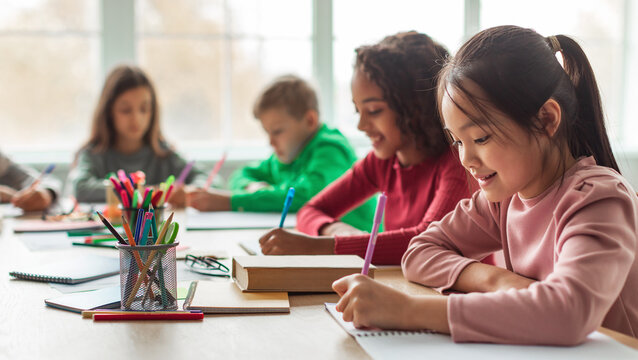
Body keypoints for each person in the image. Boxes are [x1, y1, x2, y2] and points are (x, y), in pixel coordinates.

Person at [332, 25, 638, 345]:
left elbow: (568, 313)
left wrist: (409, 309)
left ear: (546, 120)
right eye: (457, 141)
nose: (466, 159)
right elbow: (420, 253)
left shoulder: (598, 200)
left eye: (480, 138)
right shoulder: (502, 200)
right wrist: (497, 280)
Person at [258, 32, 474, 265]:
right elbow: (309, 211)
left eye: (374, 111)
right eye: (357, 111)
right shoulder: (382, 162)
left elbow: (425, 243)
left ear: (415, 107)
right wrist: (336, 230)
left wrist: (318, 246)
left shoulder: (458, 162)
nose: (361, 125)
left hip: (461, 298)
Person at [187, 75, 377, 231]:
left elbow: (304, 197)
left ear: (310, 120)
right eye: (268, 132)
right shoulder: (287, 155)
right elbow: (241, 174)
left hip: (364, 258)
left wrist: (229, 202)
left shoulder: (331, 150)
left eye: (277, 132)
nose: (271, 142)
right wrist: (253, 187)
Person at [70, 65, 205, 205]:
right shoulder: (94, 154)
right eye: (125, 110)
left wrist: (188, 193)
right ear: (109, 112)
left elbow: (209, 179)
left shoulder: (164, 154)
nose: (136, 119)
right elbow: (81, 188)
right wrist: (147, 193)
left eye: (144, 109)